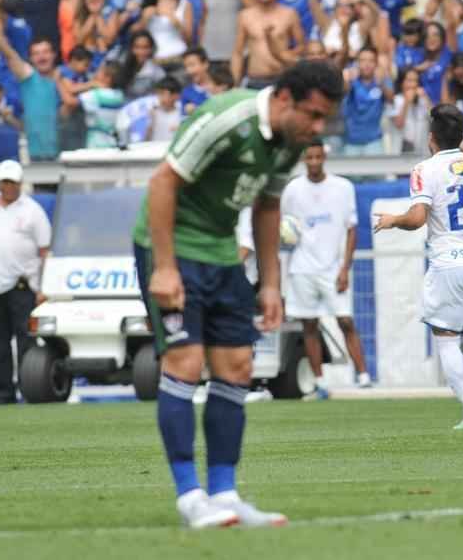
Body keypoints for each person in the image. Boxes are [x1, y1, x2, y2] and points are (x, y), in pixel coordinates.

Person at [131, 60, 342, 528]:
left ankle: (225, 494)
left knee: (238, 368)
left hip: (223, 252)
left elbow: (267, 207)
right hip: (172, 247)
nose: (317, 128)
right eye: (313, 114)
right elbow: (163, 181)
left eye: (325, 118)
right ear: (284, 98)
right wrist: (164, 268)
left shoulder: (290, 142)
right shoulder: (227, 118)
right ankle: (190, 498)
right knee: (186, 363)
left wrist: (270, 283)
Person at [373, 103, 463, 430]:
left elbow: (417, 219)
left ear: (430, 137)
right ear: (461, 136)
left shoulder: (424, 169)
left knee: (446, 340)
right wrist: (459, 148)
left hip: (448, 262)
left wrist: (393, 220)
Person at [275, 141, 371, 397]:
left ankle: (363, 376)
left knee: (345, 320)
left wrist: (345, 268)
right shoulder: (293, 189)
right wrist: (286, 238)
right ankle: (319, 383)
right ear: (304, 159)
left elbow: (352, 229)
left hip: (332, 268)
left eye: (318, 157)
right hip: (302, 267)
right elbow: (285, 226)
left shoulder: (343, 187)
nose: (314, 162)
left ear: (324, 158)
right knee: (309, 324)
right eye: (310, 158)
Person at [0, 160, 52, 405]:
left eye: (14, 182)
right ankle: (3, 392)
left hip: (23, 285)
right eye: (6, 182)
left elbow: (45, 252)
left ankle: (30, 388)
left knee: (26, 340)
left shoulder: (33, 210)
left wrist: (43, 287)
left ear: (20, 183)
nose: (10, 187)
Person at [0, 8, 63, 162]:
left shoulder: (65, 77)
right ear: (31, 59)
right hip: (36, 156)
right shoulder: (29, 77)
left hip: (65, 154)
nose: (42, 57)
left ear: (54, 55)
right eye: (36, 53)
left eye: (45, 52)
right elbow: (5, 48)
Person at [231, 0, 304, 87]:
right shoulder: (245, 16)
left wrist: (284, 55)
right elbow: (237, 53)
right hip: (255, 78)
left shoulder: (289, 14)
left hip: (280, 78)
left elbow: (301, 47)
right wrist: (235, 83)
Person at [77, 59, 126, 148]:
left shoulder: (96, 95)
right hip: (113, 143)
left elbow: (70, 101)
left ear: (108, 78)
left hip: (96, 143)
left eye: (99, 71)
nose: (96, 73)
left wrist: (59, 81)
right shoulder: (120, 95)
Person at [148, 76, 183, 142]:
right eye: (158, 94)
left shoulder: (181, 114)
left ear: (175, 96)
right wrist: (151, 122)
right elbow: (146, 140)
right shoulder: (153, 113)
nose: (160, 98)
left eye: (162, 93)